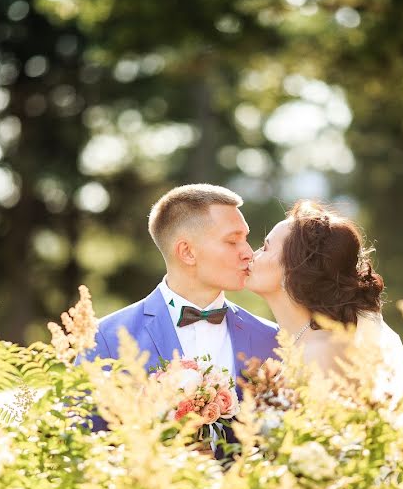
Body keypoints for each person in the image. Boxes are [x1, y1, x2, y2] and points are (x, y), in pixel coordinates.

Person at [81, 184, 279, 436]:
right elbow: (81, 443)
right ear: (187, 252)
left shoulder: (272, 338)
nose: (248, 253)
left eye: (246, 239)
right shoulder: (106, 339)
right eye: (232, 241)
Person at [245, 200, 403, 405]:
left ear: (293, 271)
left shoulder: (323, 352)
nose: (252, 255)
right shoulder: (297, 345)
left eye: (265, 248)